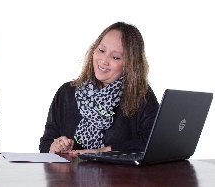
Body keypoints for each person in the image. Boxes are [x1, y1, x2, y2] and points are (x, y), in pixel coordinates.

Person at [39, 22, 159, 154]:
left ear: (130, 65)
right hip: (70, 174)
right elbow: (46, 143)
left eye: (115, 57)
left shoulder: (141, 95)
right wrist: (54, 147)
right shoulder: (66, 93)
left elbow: (153, 143)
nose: (103, 60)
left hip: (119, 174)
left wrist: (103, 151)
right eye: (101, 50)